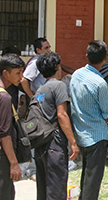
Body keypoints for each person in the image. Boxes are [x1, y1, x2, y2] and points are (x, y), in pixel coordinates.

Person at [70, 40, 108, 200]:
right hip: (97, 136)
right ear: (105, 58)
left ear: (87, 56)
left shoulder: (76, 75)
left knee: (86, 176)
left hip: (80, 133)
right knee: (93, 181)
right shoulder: (100, 84)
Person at [34, 52, 79, 200]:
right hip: (55, 145)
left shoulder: (40, 91)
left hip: (40, 145)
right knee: (57, 189)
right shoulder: (58, 86)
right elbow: (61, 115)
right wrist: (73, 142)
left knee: (43, 187)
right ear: (58, 67)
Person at [0, 54, 25, 200]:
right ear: (5, 73)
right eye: (18, 73)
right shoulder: (4, 98)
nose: (21, 77)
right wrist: (14, 163)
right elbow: (4, 133)